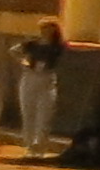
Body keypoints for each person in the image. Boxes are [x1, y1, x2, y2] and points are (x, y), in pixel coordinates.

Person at [13, 19, 69, 148]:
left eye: (49, 29)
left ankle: (40, 144)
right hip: (31, 76)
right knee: (28, 111)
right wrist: (24, 61)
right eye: (44, 29)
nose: (46, 32)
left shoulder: (58, 46)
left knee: (44, 114)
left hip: (47, 77)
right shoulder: (32, 44)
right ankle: (28, 143)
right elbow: (14, 50)